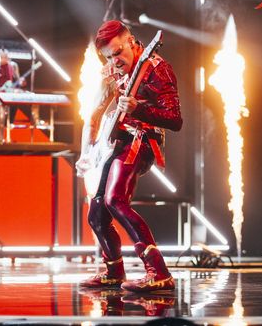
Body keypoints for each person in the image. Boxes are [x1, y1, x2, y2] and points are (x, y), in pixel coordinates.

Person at [75, 20, 182, 292]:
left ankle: (159, 272)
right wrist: (86, 153)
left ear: (132, 42)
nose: (115, 61)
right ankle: (113, 271)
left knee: (115, 200)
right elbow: (93, 115)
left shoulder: (157, 68)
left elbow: (175, 120)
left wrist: (138, 110)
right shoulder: (112, 71)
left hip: (142, 141)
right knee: (96, 213)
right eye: (108, 57)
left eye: (118, 52)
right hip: (115, 143)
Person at [0, 49, 26, 143]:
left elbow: (17, 78)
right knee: (0, 117)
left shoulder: (13, 65)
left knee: (9, 116)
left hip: (10, 93)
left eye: (6, 56)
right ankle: (1, 138)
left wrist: (21, 82)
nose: (4, 58)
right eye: (2, 57)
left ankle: (8, 137)